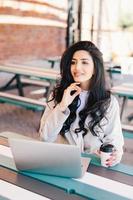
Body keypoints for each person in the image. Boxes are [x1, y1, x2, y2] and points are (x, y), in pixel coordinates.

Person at [39, 41, 124, 167]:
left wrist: (114, 155)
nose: (77, 68)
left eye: (84, 62)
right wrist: (62, 106)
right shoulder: (58, 95)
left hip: (94, 165)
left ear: (95, 68)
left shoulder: (109, 102)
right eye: (73, 62)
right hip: (64, 163)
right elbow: (45, 138)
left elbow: (114, 140)